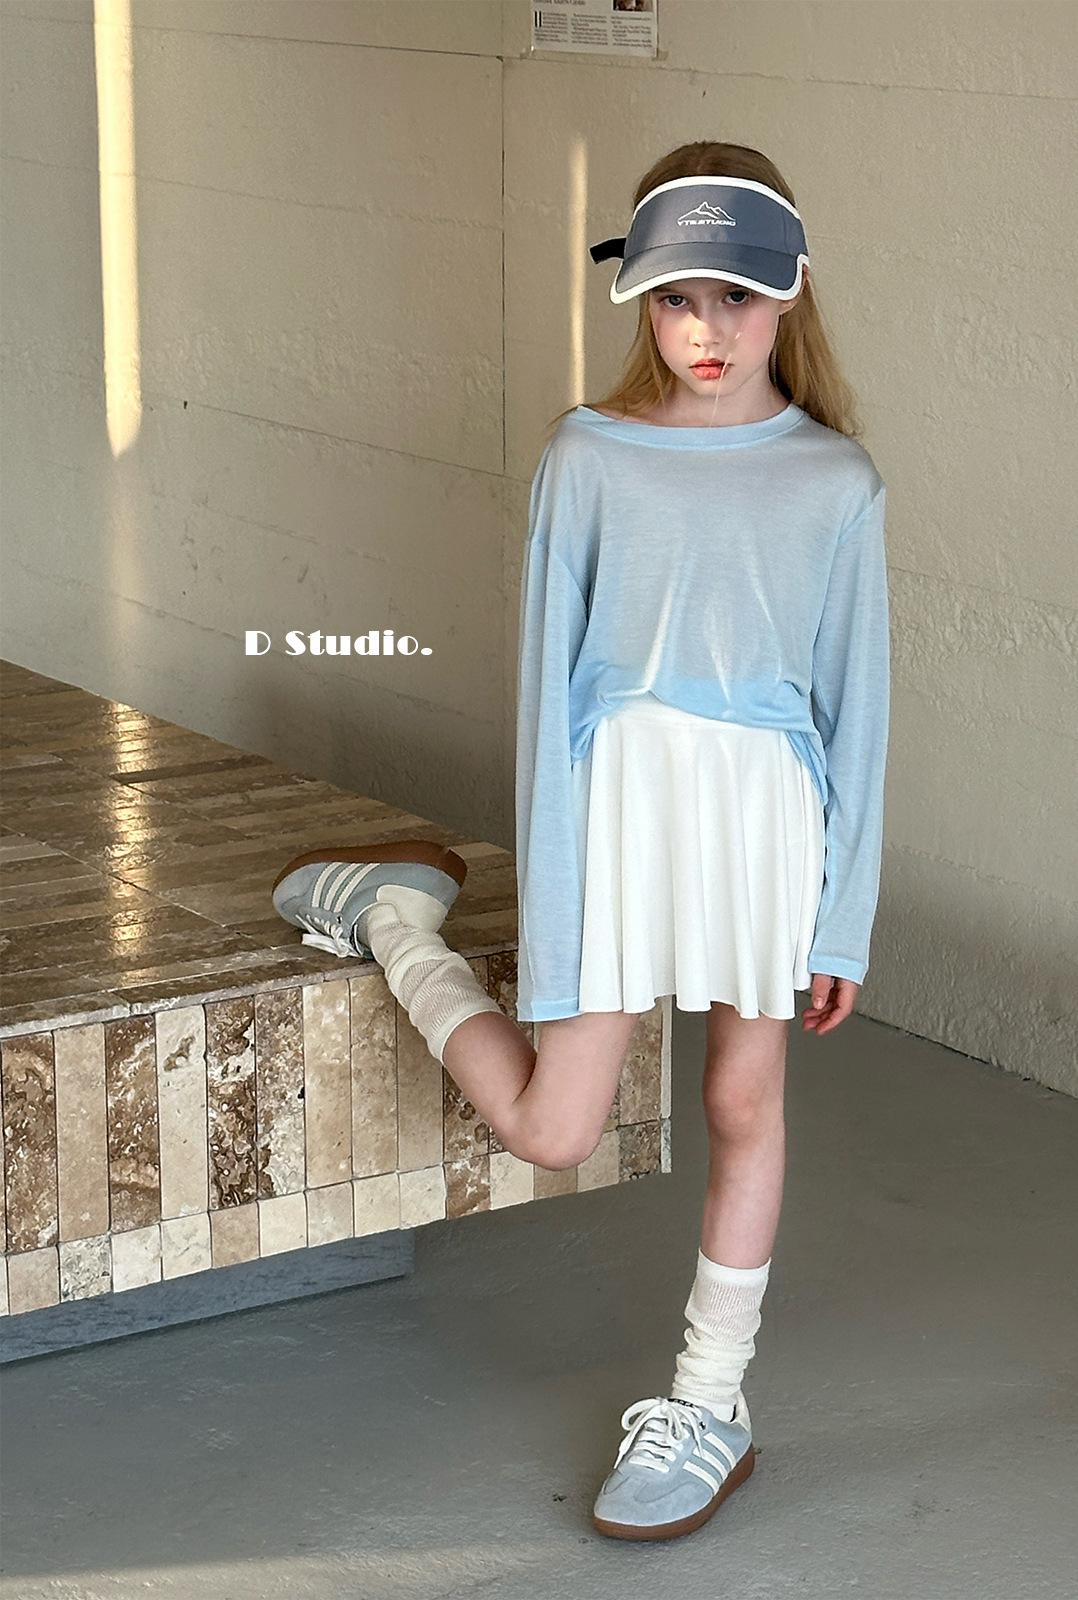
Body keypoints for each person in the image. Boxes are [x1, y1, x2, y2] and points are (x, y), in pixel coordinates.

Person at [270, 139, 890, 1542]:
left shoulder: (837, 482)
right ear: (641, 303)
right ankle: (396, 923)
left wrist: (842, 913)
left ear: (790, 294)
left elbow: (856, 712)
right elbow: (549, 704)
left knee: (743, 1105)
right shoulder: (588, 457)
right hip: (619, 810)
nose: (706, 330)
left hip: (762, 823)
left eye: (736, 298)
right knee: (555, 1126)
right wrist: (550, 907)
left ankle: (711, 1401)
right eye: (677, 299)